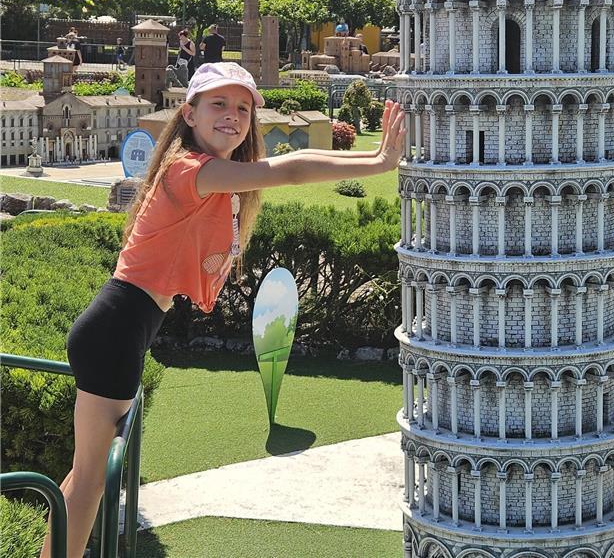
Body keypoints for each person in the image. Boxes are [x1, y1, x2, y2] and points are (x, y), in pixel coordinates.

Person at [38, 62, 406, 558]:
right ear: (188, 113)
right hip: (116, 330)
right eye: (218, 104)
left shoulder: (208, 174)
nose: (232, 116)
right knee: (91, 483)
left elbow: (283, 163)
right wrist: (379, 160)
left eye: (242, 108)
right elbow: (291, 168)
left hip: (123, 327)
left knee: (86, 476)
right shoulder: (190, 169)